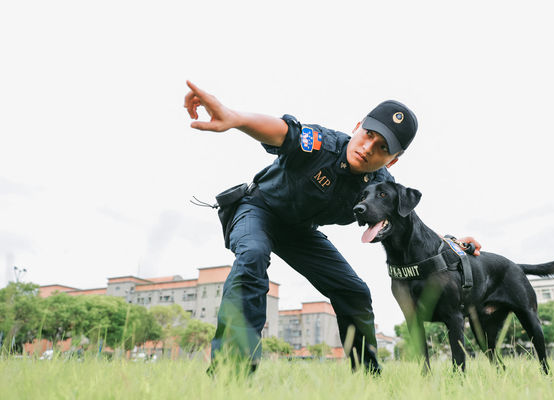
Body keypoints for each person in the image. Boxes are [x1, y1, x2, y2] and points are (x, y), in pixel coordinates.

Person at [183, 81, 481, 374]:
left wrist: (453, 243)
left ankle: (367, 378)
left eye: (382, 148)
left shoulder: (382, 186)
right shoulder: (321, 144)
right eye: (368, 135)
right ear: (357, 126)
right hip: (258, 210)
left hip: (299, 231)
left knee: (355, 292)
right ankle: (230, 372)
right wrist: (235, 118)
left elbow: (413, 226)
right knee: (252, 256)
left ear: (393, 160)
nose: (367, 149)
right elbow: (282, 131)